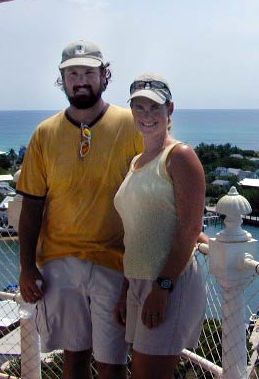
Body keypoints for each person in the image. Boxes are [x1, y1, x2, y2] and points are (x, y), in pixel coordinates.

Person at [17, 40, 143, 379]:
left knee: (112, 363)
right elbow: (31, 205)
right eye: (73, 73)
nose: (81, 80)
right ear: (63, 80)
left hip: (114, 262)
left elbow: (153, 188)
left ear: (104, 76)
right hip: (59, 263)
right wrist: (27, 267)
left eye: (89, 72)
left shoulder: (130, 126)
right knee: (73, 359)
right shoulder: (45, 134)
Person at [114, 74, 206, 379]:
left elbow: (190, 229)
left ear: (170, 109)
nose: (147, 116)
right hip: (139, 283)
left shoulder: (179, 156)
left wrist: (162, 287)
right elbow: (136, 230)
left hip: (169, 284)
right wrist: (128, 288)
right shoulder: (137, 161)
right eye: (139, 108)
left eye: (154, 107)